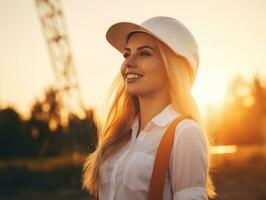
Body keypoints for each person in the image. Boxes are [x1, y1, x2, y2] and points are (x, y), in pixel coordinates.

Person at [82, 16, 216, 200]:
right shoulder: (120, 136)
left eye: (144, 53)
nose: (128, 63)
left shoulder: (185, 132)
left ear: (172, 66)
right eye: (126, 54)